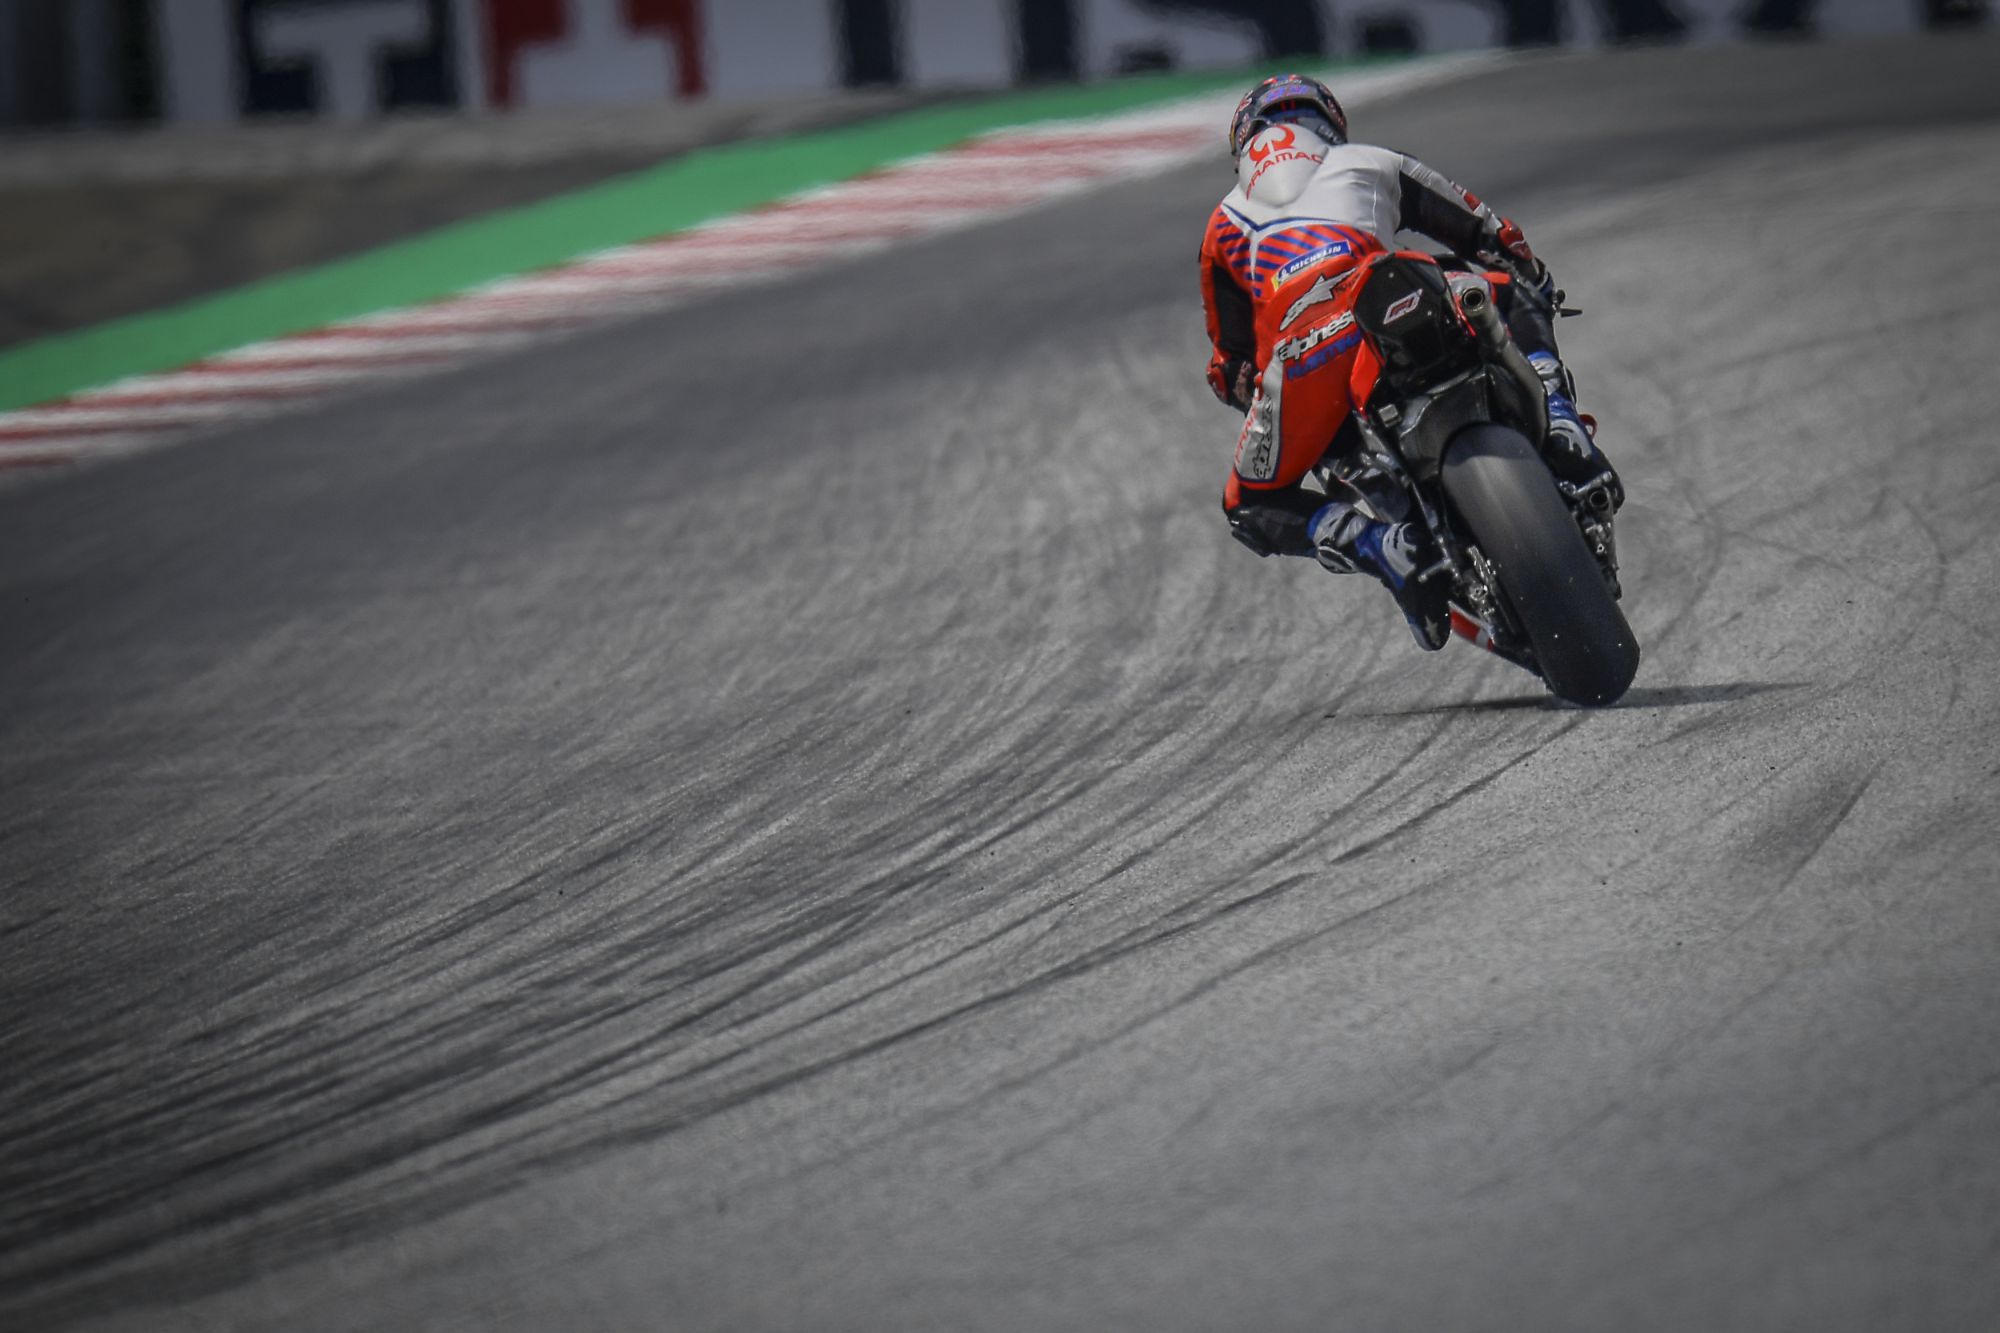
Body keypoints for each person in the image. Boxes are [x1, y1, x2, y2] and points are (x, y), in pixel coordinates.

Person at [1201, 73, 1620, 650]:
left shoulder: (1222, 224)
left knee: (1248, 504)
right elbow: (1491, 232)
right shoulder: (1368, 160)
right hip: (1394, 292)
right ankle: (1560, 417)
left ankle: (1380, 546)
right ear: (1329, 124)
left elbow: (1230, 369)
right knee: (1511, 292)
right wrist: (1535, 278)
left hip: (1303, 355)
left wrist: (1263, 396)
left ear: (1243, 147)